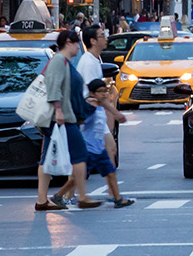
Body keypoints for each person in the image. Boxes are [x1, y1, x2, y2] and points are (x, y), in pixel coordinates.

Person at [36, 28, 101, 211]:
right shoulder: (58, 60)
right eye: (76, 43)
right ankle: (82, 196)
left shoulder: (65, 62)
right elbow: (53, 86)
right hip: (61, 117)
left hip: (63, 116)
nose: (79, 48)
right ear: (68, 43)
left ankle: (42, 200)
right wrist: (58, 110)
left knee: (47, 158)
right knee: (80, 155)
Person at [79, 79, 134, 207]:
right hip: (87, 148)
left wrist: (117, 114)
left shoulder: (100, 105)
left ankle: (117, 199)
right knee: (76, 177)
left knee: (110, 172)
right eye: (100, 92)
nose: (104, 94)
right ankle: (60, 196)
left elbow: (106, 111)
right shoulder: (89, 105)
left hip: (99, 148)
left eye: (105, 91)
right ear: (92, 93)